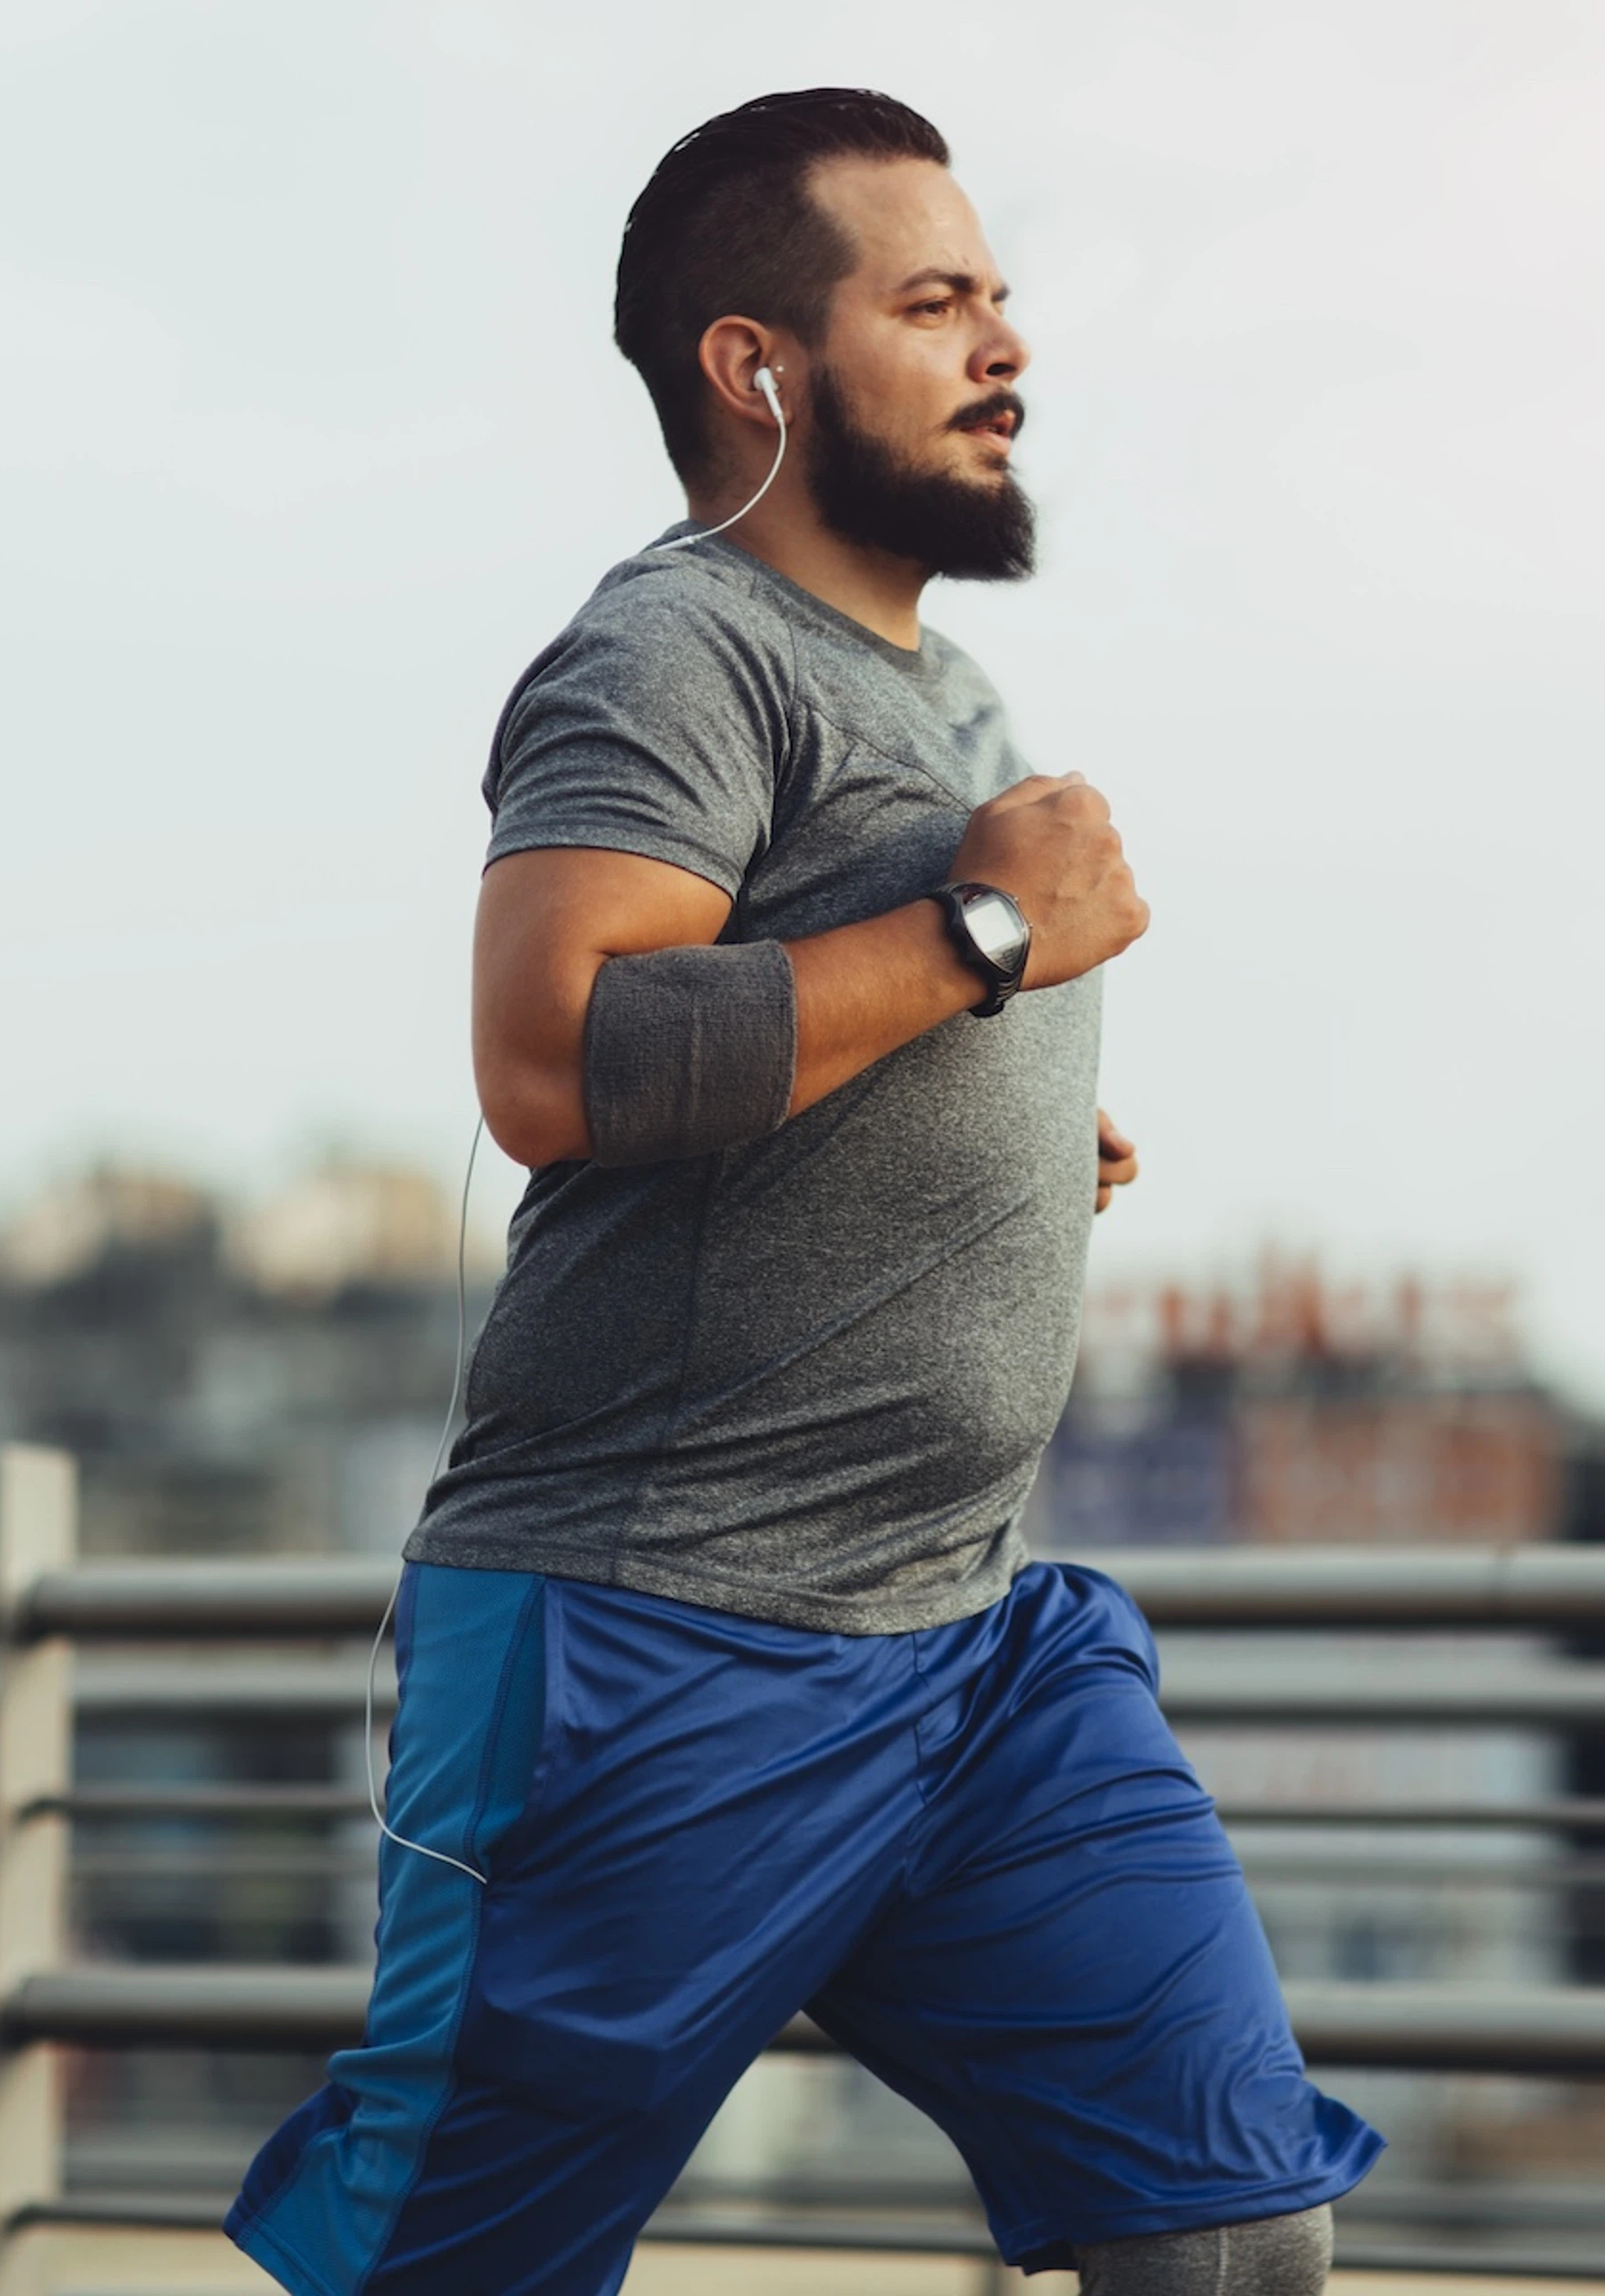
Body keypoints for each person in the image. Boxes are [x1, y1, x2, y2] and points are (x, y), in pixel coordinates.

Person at [228, 88, 1377, 2296]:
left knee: (1230, 2228)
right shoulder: (674, 650)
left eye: (1001, 300)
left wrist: (1021, 1119)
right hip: (654, 1642)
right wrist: (982, 946)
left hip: (973, 1646)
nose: (1003, 349)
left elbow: (830, 1013)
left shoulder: (949, 688)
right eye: (935, 303)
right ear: (757, 367)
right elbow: (555, 1052)